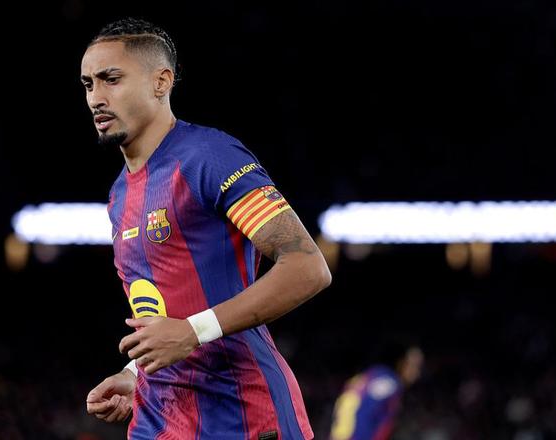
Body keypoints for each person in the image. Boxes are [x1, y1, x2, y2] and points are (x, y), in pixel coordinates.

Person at [81, 18, 332, 439]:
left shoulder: (209, 157)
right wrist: (135, 371)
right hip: (159, 417)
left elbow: (307, 267)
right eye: (88, 84)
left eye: (111, 79)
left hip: (242, 416)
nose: (96, 98)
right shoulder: (119, 194)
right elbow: (166, 307)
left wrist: (192, 332)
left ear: (161, 82)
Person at [329, 344, 424, 440]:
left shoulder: (373, 374)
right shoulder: (390, 382)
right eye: (412, 365)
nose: (416, 373)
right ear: (401, 362)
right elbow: (366, 410)